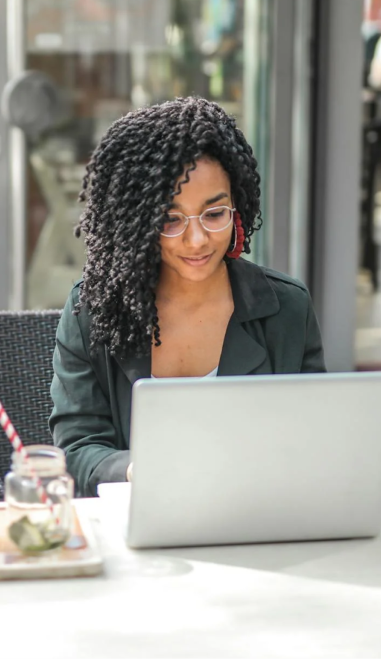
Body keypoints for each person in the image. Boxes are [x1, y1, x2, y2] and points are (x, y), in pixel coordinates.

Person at [49, 97, 326, 497]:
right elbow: (76, 450)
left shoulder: (286, 309)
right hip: (137, 526)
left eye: (214, 215)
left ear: (238, 208)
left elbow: (313, 442)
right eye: (170, 219)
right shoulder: (93, 311)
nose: (197, 241)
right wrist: (134, 469)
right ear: (137, 223)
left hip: (259, 518)